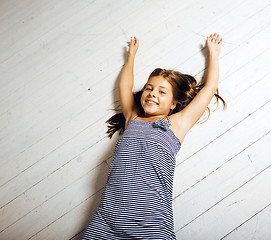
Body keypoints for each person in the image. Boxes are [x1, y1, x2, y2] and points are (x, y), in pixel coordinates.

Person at [81, 33, 226, 239]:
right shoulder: (133, 118)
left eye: (162, 92)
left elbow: (209, 88)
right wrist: (131, 55)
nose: (152, 93)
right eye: (149, 88)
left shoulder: (177, 124)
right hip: (108, 220)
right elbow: (124, 86)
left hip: (151, 223)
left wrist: (213, 54)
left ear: (173, 104)